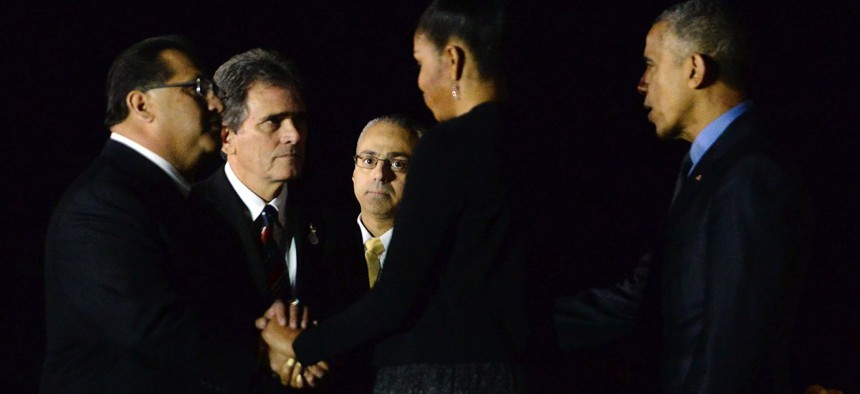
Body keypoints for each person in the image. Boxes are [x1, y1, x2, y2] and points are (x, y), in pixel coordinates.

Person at [260, 0, 529, 392]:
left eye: (421, 63)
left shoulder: (448, 147)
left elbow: (395, 299)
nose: (420, 82)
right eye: (367, 160)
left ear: (453, 60)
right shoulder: (534, 146)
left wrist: (299, 345)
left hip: (441, 377)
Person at [554, 1, 810, 392]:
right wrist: (508, 328)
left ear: (694, 69)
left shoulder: (750, 174)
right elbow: (645, 297)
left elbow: (732, 346)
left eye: (651, 64)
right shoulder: (705, 167)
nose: (641, 82)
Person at [41, 35, 266, 392]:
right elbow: (152, 330)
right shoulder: (100, 205)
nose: (216, 104)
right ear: (141, 104)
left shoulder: (188, 202)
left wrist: (272, 325)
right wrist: (266, 352)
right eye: (197, 88)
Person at [193, 48, 335, 389]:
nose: (294, 135)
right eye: (274, 121)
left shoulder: (330, 215)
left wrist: (310, 355)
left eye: (299, 119)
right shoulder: (189, 216)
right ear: (227, 137)